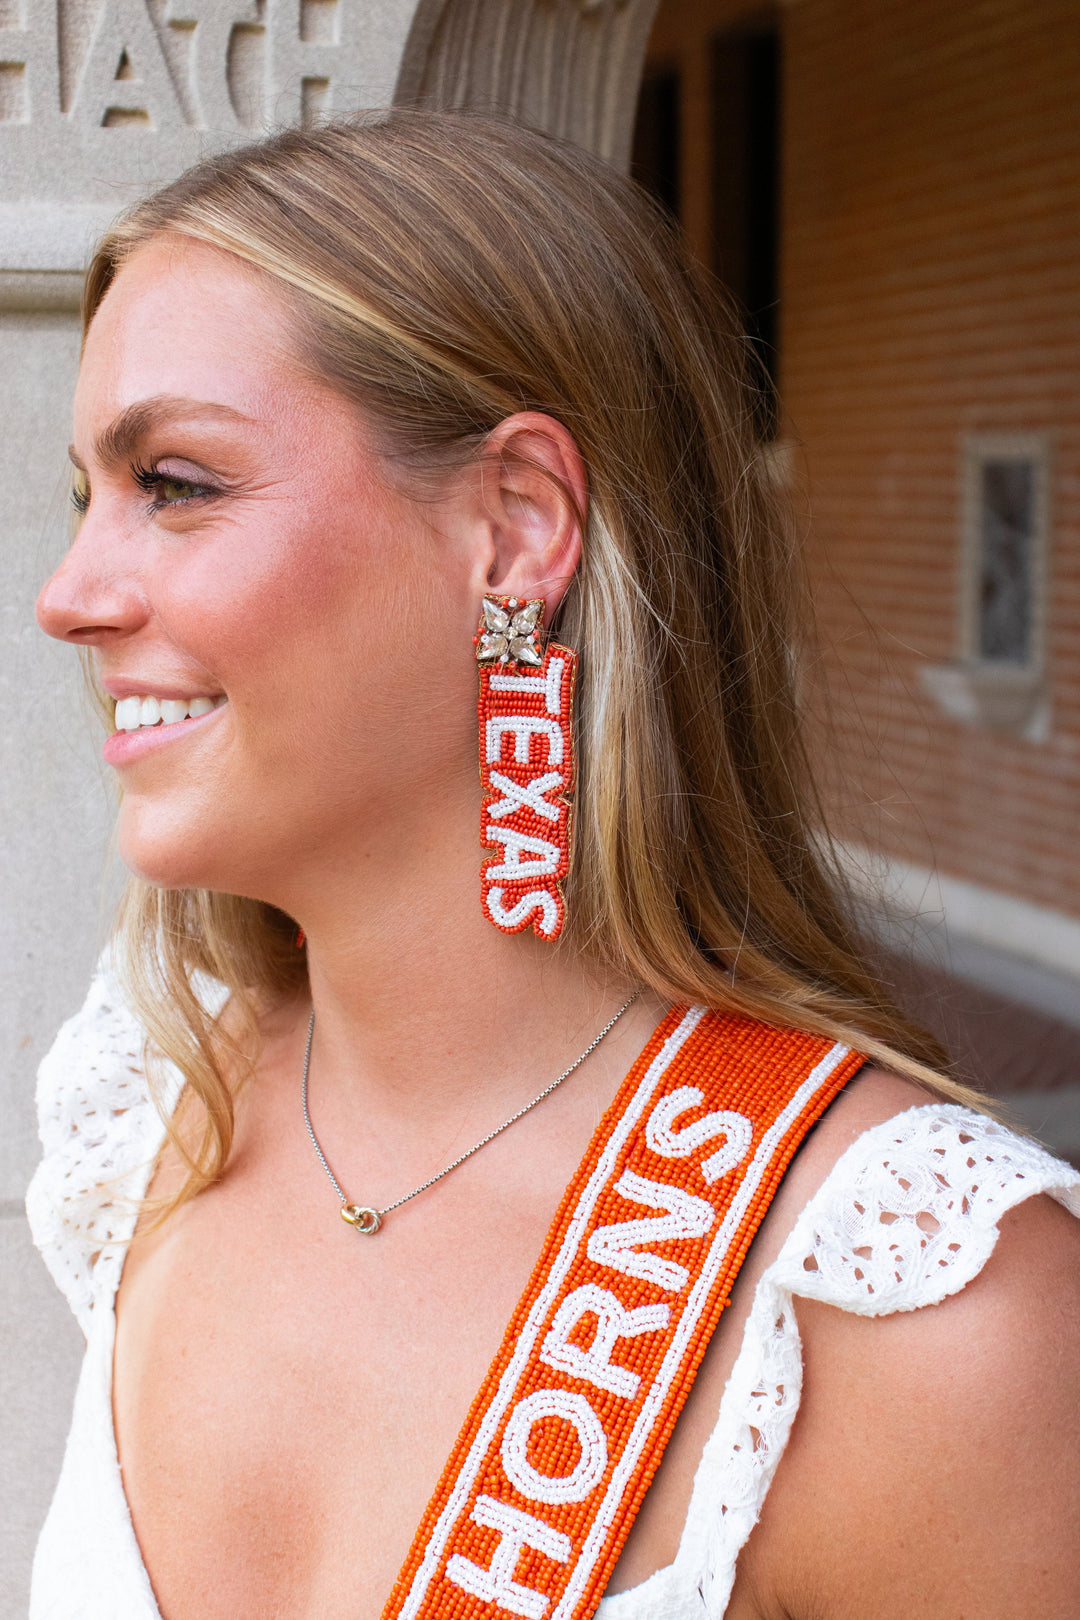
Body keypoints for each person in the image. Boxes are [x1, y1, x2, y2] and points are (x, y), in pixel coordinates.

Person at [27, 110, 1080, 1620]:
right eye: (87, 496)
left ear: (517, 529)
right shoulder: (153, 1119)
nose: (69, 596)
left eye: (176, 485)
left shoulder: (912, 1310)